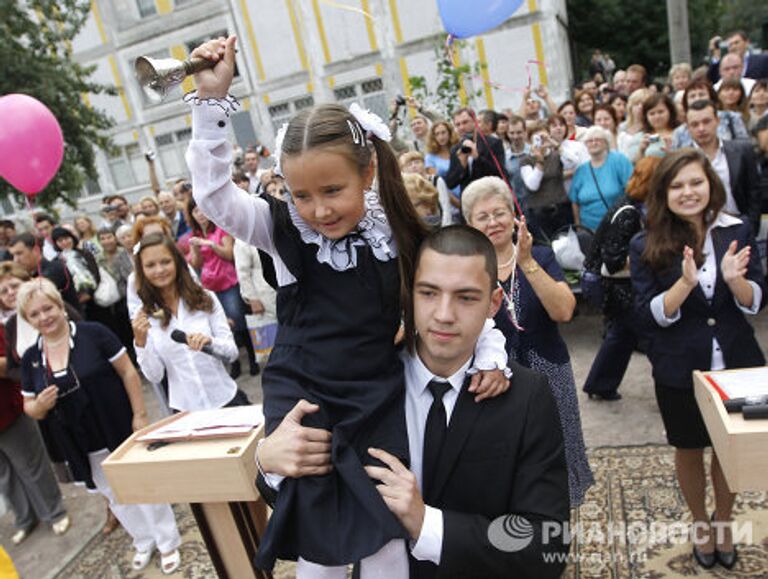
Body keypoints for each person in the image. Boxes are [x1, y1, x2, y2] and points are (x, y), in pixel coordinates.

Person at [185, 35, 509, 574]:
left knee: (385, 535)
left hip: (376, 398)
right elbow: (215, 196)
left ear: (366, 174)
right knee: (323, 542)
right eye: (301, 195)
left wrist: (490, 351)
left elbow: (455, 299)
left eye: (332, 190)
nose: (317, 210)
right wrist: (212, 105)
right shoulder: (281, 228)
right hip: (305, 400)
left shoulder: (399, 233)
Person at [257, 225, 571, 578]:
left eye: (466, 297)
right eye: (428, 293)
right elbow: (309, 494)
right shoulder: (356, 381)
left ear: (493, 303)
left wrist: (428, 526)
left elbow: (546, 543)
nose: (444, 314)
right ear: (407, 293)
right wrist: (269, 464)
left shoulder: (527, 398)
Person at [630, 149, 765, 570]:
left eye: (696, 182)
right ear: (663, 192)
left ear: (711, 185)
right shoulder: (645, 241)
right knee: (689, 448)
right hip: (678, 367)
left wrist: (735, 281)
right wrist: (685, 286)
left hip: (737, 364)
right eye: (677, 185)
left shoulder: (737, 230)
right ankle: (701, 525)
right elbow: (647, 315)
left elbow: (756, 302)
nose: (688, 192)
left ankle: (723, 523)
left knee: (730, 451)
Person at [18, 278, 182, 573]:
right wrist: (40, 406)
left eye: (48, 308)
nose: (44, 317)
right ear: (27, 320)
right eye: (35, 314)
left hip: (117, 425)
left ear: (60, 306)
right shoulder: (32, 359)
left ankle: (167, 540)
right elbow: (29, 406)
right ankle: (143, 539)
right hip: (80, 439)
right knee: (112, 493)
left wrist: (139, 414)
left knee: (139, 485)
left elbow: (128, 372)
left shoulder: (94, 333)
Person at [463, 177, 593, 506]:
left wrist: (526, 262)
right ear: (470, 225)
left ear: (514, 216)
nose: (493, 222)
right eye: (483, 216)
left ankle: (554, 524)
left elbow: (564, 311)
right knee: (505, 458)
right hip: (493, 378)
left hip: (548, 370)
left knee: (555, 451)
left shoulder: (541, 256)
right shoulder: (466, 268)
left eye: (500, 213)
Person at [131, 232, 249, 410]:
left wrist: (210, 343)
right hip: (185, 411)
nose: (159, 270)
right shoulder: (145, 315)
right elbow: (155, 376)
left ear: (177, 262)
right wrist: (140, 343)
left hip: (225, 400)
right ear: (142, 270)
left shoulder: (205, 298)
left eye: (165, 262)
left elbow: (231, 353)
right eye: (150, 265)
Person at [0, 264, 70, 546]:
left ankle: (54, 511)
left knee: (31, 464)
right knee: (5, 475)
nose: (8, 293)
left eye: (11, 287)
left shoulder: (6, 327)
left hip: (9, 408)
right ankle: (25, 517)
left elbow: (12, 365)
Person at [582, 157, 661, 400]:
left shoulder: (631, 205)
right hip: (620, 289)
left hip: (619, 289)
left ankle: (600, 385)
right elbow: (613, 261)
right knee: (655, 339)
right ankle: (676, 386)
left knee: (620, 337)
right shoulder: (629, 212)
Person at [187, 196, 257, 378]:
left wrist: (211, 245)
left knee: (239, 322)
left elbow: (229, 254)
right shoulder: (194, 234)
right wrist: (195, 248)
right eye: (195, 211)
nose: (200, 214)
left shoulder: (220, 228)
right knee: (222, 326)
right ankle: (234, 364)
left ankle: (252, 357)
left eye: (202, 209)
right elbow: (196, 264)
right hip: (210, 287)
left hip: (228, 283)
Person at [685, 99, 762, 235]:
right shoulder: (682, 159)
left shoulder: (742, 150)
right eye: (695, 124)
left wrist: (751, 225)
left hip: (739, 223)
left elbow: (754, 192)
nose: (701, 128)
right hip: (699, 229)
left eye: (706, 121)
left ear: (717, 121)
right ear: (688, 127)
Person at [569, 126, 634, 231]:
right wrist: (578, 227)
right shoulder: (581, 170)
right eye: (589, 141)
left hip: (617, 226)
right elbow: (575, 202)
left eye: (598, 140)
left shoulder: (619, 160)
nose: (593, 143)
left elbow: (632, 188)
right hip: (589, 230)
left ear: (605, 143)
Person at [519, 123, 572, 240]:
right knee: (546, 248)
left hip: (561, 208)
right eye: (537, 138)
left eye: (543, 137)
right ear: (530, 141)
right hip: (539, 212)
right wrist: (539, 162)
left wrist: (555, 145)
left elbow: (573, 162)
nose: (541, 141)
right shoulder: (526, 160)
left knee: (568, 246)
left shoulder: (556, 155)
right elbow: (532, 185)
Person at [444, 107, 508, 194]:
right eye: (458, 125)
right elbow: (450, 183)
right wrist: (462, 165)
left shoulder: (493, 143)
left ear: (475, 122)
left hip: (491, 194)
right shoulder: (456, 149)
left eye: (465, 122)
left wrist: (477, 157)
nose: (462, 127)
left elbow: (501, 174)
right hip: (470, 199)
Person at [9, 232, 80, 310]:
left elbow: (34, 291)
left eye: (19, 253)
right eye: (13, 255)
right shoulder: (25, 275)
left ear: (36, 250)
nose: (15, 260)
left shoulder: (56, 268)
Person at [672, 80, 750, 149]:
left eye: (701, 94)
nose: (697, 99)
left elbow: (744, 146)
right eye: (692, 96)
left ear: (711, 98)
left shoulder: (731, 118)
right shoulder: (679, 132)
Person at [634, 93, 679, 161]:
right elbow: (636, 166)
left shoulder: (681, 133)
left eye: (660, 112)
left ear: (670, 111)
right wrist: (641, 150)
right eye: (652, 113)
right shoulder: (641, 137)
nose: (657, 117)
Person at [617, 88, 651, 160]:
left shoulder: (651, 128)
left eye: (643, 104)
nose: (640, 107)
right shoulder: (621, 127)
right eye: (636, 104)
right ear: (630, 107)